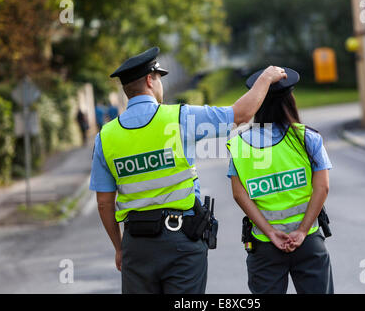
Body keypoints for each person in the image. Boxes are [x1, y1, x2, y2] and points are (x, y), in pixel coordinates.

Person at [89, 46, 287, 294]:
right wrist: (266, 78)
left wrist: (120, 249)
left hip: (136, 246)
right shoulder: (178, 117)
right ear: (150, 80)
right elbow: (241, 114)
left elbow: (104, 204)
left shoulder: (105, 137)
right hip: (180, 241)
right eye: (160, 78)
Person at [227, 68, 334, 294]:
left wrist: (270, 232)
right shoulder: (308, 138)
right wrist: (303, 231)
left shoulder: (240, 145)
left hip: (265, 246)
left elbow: (238, 194)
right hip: (308, 242)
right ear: (290, 100)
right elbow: (322, 187)